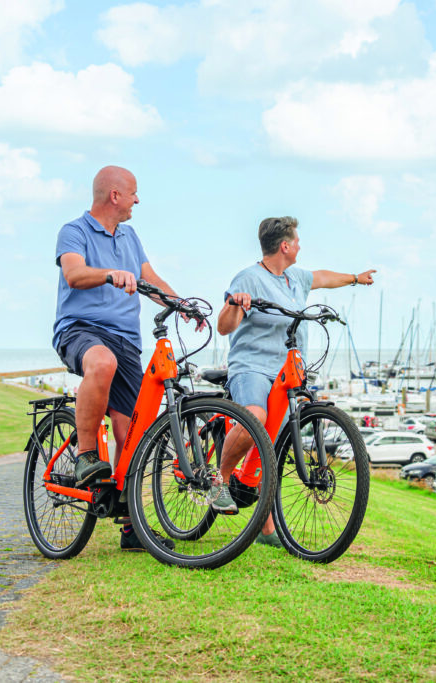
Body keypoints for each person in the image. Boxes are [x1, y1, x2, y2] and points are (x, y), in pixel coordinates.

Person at [214, 216, 376, 547]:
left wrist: (355, 279)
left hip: (287, 372)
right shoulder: (249, 278)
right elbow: (224, 326)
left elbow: (322, 278)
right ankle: (219, 480)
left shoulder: (294, 278)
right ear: (284, 246)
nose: (300, 245)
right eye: (297, 240)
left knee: (272, 444)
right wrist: (235, 304)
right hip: (254, 366)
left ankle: (266, 527)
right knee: (255, 419)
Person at [53, 165, 182, 551]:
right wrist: (110, 274)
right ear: (115, 196)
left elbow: (151, 280)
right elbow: (74, 274)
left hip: (127, 341)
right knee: (102, 363)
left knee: (133, 434)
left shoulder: (130, 236)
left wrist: (183, 304)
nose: (137, 200)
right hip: (81, 329)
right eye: (133, 193)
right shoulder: (74, 231)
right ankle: (86, 455)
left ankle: (132, 528)